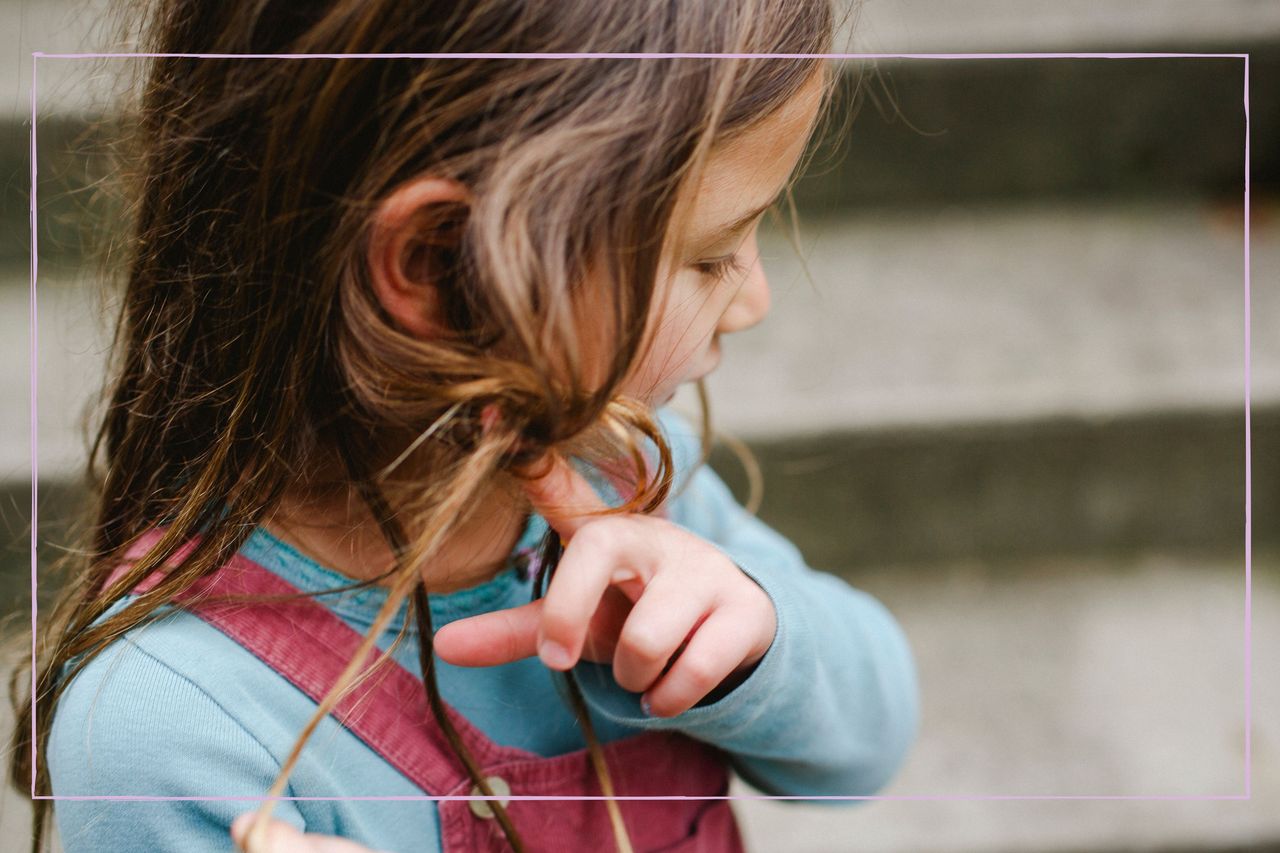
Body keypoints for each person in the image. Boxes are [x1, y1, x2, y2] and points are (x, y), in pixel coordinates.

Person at [9, 0, 920, 850]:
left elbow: (866, 745)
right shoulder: (169, 728)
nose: (754, 298)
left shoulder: (632, 483)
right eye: (711, 254)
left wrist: (750, 644)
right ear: (439, 260)